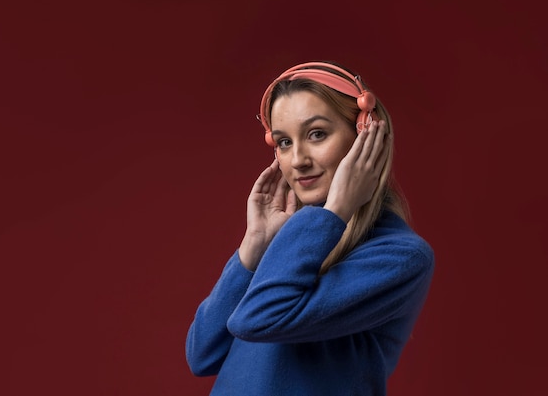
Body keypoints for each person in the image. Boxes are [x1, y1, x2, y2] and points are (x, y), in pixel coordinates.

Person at [185, 61, 435, 395]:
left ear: (366, 136)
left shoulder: (400, 256)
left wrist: (337, 210)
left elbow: (256, 319)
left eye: (316, 134)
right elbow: (202, 353)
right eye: (284, 142)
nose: (298, 159)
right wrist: (254, 244)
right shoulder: (292, 244)